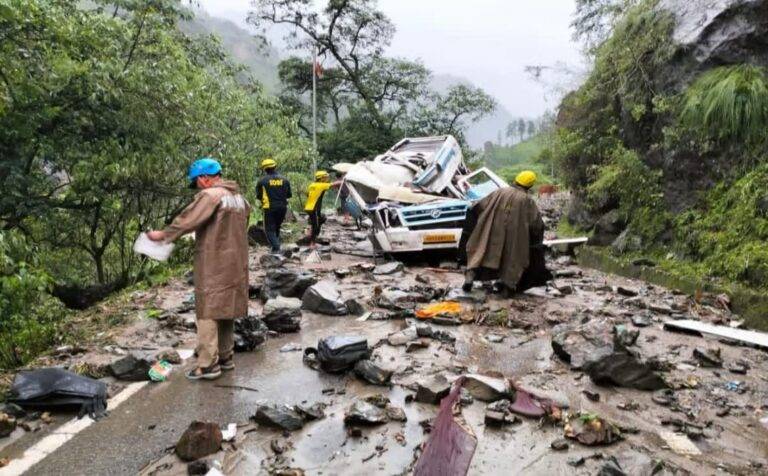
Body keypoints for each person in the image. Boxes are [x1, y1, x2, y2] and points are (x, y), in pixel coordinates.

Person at [147, 158, 250, 380]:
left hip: (214, 262)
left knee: (208, 311)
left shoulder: (210, 196)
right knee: (226, 310)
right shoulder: (239, 198)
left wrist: (164, 235)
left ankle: (208, 365)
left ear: (203, 178)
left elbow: (188, 221)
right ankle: (225, 357)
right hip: (236, 262)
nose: (197, 187)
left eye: (196, 182)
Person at [462, 170, 552, 296]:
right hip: (514, 237)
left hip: (491, 232)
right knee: (513, 259)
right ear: (529, 186)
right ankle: (507, 286)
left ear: (516, 180)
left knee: (482, 251)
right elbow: (536, 224)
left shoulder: (499, 192)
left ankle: (471, 274)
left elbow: (478, 206)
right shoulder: (527, 201)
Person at [256, 158, 292, 253]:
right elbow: (289, 195)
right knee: (277, 227)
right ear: (275, 166)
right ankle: (275, 248)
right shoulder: (285, 180)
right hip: (283, 207)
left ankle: (277, 248)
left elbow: (259, 196)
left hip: (269, 208)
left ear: (264, 169)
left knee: (269, 230)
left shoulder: (262, 181)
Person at [304, 170, 337, 246]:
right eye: (325, 178)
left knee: (322, 219)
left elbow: (307, 194)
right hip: (314, 208)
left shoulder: (312, 185)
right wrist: (344, 180)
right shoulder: (321, 185)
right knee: (316, 224)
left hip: (309, 207)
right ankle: (312, 243)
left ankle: (311, 233)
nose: (327, 179)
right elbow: (335, 184)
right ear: (321, 178)